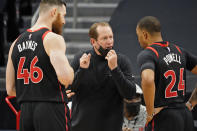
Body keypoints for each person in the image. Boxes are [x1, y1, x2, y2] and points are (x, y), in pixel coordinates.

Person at [6, 0, 74, 131]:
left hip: (25, 112)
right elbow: (66, 78)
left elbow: (10, 89)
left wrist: (35, 92)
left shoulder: (15, 42)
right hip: (51, 110)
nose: (64, 21)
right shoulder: (52, 38)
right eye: (63, 15)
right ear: (54, 12)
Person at [70, 22, 136, 131]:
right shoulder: (81, 58)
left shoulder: (122, 61)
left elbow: (130, 94)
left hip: (110, 127)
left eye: (111, 37)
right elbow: (68, 89)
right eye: (104, 38)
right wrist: (81, 70)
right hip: (81, 127)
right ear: (93, 42)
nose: (109, 41)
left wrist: (115, 69)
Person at [136, 16, 197, 131]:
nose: (138, 40)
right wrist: (191, 102)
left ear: (144, 35)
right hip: (185, 115)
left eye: (138, 35)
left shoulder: (148, 54)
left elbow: (148, 79)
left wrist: (149, 113)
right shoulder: (180, 50)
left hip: (164, 117)